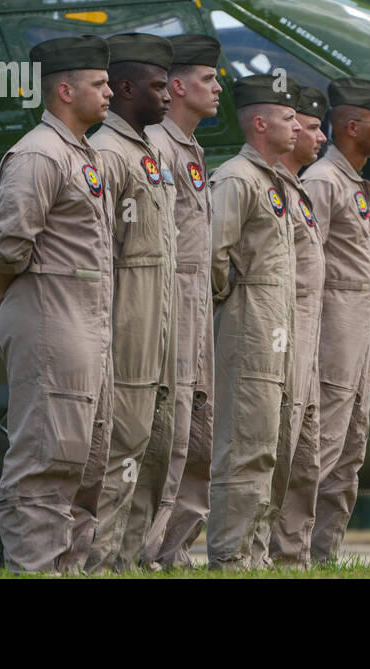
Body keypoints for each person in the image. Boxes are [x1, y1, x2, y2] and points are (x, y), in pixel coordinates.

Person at [0, 35, 114, 574]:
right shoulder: (39, 153)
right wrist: (5, 288)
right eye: (100, 84)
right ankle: (35, 568)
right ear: (65, 89)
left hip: (84, 324)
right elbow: (9, 244)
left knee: (85, 462)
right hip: (50, 320)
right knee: (45, 458)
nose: (110, 92)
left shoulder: (78, 153)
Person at [83, 33, 177, 573]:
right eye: (157, 86)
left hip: (156, 326)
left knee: (149, 453)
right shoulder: (109, 154)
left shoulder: (149, 153)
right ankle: (100, 563)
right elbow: (100, 252)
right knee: (119, 452)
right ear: (123, 88)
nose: (167, 96)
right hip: (126, 328)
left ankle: (129, 561)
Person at [206, 74, 301, 570]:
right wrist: (232, 299)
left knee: (268, 446)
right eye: (288, 117)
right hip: (250, 323)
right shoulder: (238, 178)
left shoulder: (272, 180)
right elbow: (212, 253)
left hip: (274, 324)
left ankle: (254, 554)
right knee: (245, 446)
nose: (297, 126)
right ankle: (229, 555)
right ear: (261, 122)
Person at [302, 77, 370, 564]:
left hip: (355, 336)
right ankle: (285, 554)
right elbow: (302, 261)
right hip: (330, 336)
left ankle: (323, 557)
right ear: (352, 127)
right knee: (321, 447)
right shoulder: (322, 182)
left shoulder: (352, 183)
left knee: (348, 451)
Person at [143, 34, 222, 568]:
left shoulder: (191, 150)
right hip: (164, 298)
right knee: (161, 430)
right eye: (207, 79)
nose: (218, 89)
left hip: (195, 301)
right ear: (176, 87)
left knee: (198, 433)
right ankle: (139, 550)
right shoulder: (154, 145)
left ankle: (173, 550)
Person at [262, 85, 328, 566]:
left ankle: (291, 558)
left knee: (304, 459)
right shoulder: (264, 185)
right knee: (271, 452)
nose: (318, 137)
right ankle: (251, 556)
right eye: (310, 126)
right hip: (275, 336)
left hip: (305, 338)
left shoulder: (300, 190)